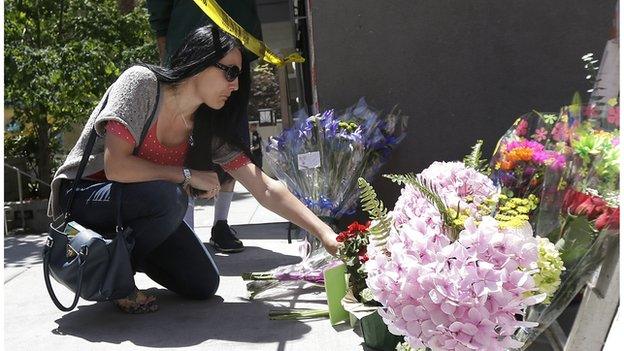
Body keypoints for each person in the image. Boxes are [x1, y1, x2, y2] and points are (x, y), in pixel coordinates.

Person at [48, 25, 339, 314]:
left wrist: (326, 233)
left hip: (139, 211)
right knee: (171, 197)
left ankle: (125, 255)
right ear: (200, 62)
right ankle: (118, 281)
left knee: (202, 283)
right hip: (86, 197)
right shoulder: (141, 84)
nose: (235, 85)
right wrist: (187, 175)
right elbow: (116, 167)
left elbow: (263, 187)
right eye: (230, 72)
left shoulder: (206, 125)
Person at [146, 0, 263, 253]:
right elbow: (158, 7)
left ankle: (221, 223)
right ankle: (183, 228)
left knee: (232, 140)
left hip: (238, 47)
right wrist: (165, 46)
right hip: (190, 47)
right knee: (183, 142)